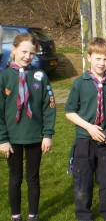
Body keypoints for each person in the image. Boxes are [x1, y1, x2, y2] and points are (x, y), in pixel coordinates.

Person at [65, 37, 106, 221]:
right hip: (85, 139)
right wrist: (89, 127)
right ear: (89, 57)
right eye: (98, 58)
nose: (102, 63)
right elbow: (69, 112)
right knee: (84, 179)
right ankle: (84, 215)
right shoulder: (80, 83)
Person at [0, 33, 56, 221]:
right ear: (13, 50)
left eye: (32, 53)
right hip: (12, 138)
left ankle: (33, 216)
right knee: (15, 178)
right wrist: (3, 139)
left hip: (35, 137)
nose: (27, 56)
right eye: (24, 51)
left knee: (33, 178)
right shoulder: (4, 77)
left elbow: (49, 106)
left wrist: (47, 134)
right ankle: (16, 216)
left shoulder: (40, 76)